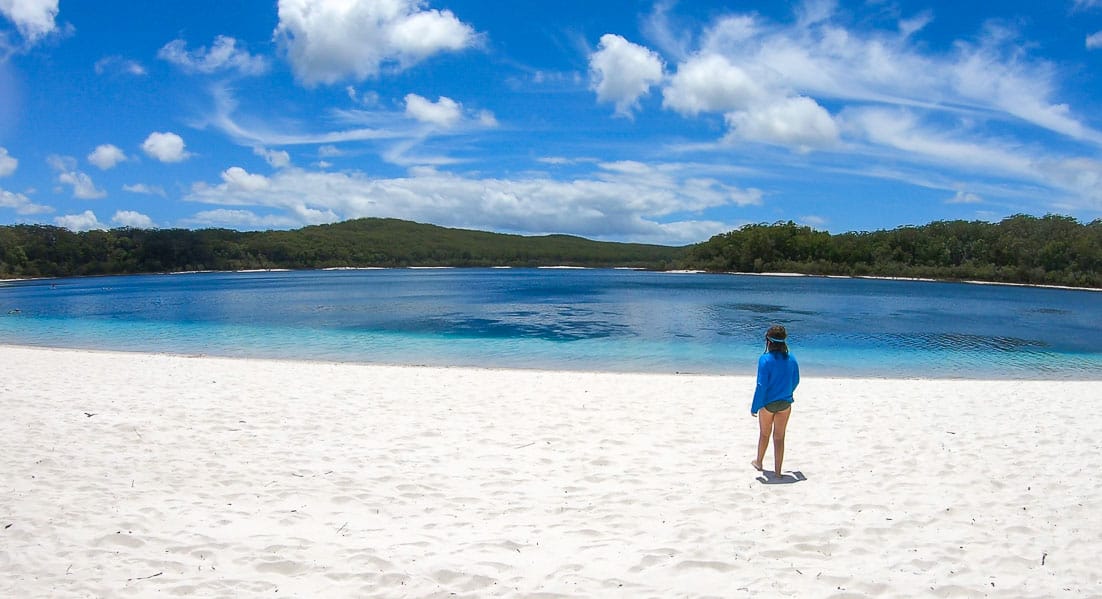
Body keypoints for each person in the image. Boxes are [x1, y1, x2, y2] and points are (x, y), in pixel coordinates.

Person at [750, 325, 800, 479]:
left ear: (768, 341)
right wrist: (787, 392)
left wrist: (755, 406)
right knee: (779, 437)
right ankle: (778, 472)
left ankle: (759, 462)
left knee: (765, 434)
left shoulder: (764, 359)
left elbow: (761, 385)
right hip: (785, 403)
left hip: (768, 404)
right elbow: (796, 380)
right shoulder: (791, 358)